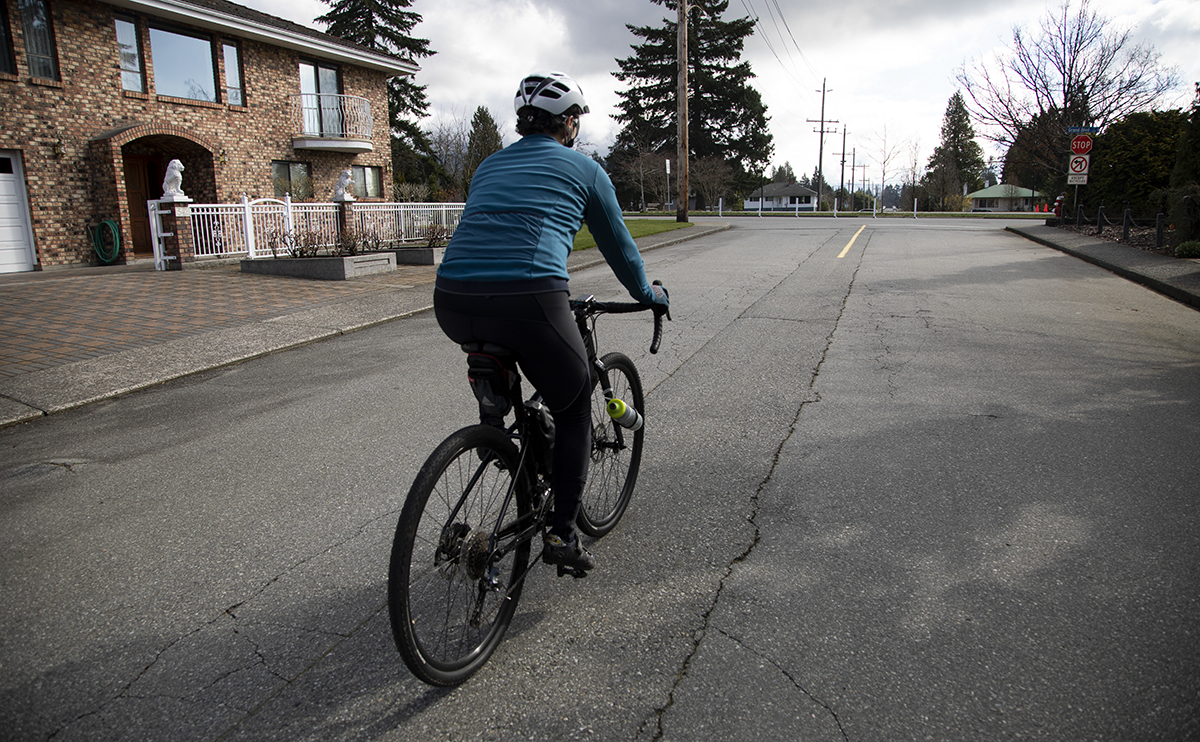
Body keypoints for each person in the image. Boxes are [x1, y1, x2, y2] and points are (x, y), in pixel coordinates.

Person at [433, 71, 668, 574]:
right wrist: (648, 295)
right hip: (530, 299)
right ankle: (562, 533)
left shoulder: (488, 166)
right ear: (569, 123)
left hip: (452, 300)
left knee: (517, 356)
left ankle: (497, 408)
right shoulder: (584, 169)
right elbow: (621, 249)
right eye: (577, 120)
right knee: (576, 404)